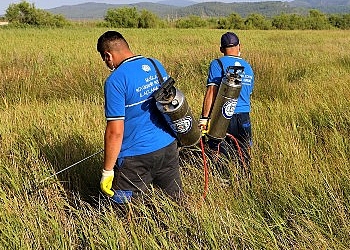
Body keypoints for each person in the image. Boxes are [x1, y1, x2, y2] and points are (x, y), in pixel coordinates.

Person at [97, 31, 182, 204]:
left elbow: (115, 132)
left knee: (122, 210)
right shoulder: (155, 64)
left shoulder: (115, 81)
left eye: (104, 59)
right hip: (168, 147)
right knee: (176, 203)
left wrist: (107, 171)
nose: (106, 63)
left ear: (108, 55)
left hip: (135, 158)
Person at [199, 32, 254, 170]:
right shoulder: (248, 67)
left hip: (223, 117)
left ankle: (223, 184)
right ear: (239, 46)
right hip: (244, 117)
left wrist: (204, 118)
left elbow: (212, 91)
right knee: (244, 154)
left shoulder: (217, 64)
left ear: (221, 49)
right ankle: (245, 183)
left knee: (220, 155)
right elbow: (249, 92)